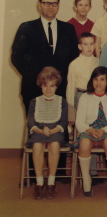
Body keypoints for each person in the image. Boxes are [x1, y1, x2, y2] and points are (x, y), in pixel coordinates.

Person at [11, 0, 78, 113]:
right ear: (39, 4)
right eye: (47, 3)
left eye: (54, 4)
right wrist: (38, 78)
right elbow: (17, 57)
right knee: (35, 129)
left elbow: (74, 57)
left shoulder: (68, 29)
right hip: (33, 88)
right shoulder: (26, 28)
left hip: (60, 88)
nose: (51, 7)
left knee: (58, 129)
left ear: (58, 5)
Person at [75, 66, 107, 198]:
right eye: (95, 79)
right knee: (84, 143)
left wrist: (103, 130)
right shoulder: (85, 97)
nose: (98, 83)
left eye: (102, 79)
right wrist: (89, 130)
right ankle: (86, 179)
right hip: (89, 130)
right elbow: (79, 122)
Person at [26, 67, 68, 200]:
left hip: (55, 131)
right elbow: (31, 122)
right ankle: (39, 182)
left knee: (54, 144)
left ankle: (51, 181)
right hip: (39, 131)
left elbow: (63, 122)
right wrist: (40, 130)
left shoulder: (61, 101)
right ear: (41, 85)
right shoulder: (34, 101)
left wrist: (52, 131)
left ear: (56, 86)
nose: (48, 89)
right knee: (37, 145)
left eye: (52, 86)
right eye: (45, 85)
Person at [66, 32, 99, 109]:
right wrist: (70, 107)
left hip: (96, 95)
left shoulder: (98, 62)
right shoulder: (74, 64)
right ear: (80, 46)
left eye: (91, 44)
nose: (89, 47)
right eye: (85, 44)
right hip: (81, 95)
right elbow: (71, 86)